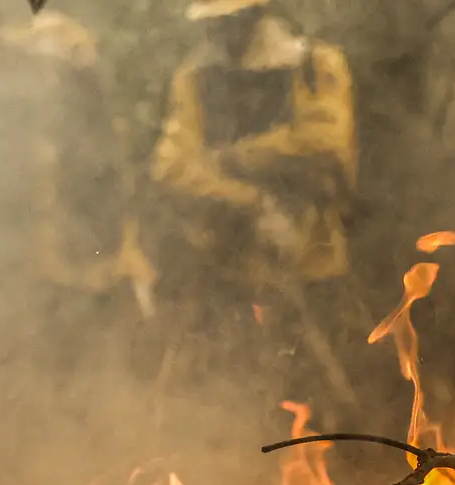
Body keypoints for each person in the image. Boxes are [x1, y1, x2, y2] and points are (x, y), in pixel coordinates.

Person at [147, 0, 358, 419]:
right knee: (225, 396)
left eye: (231, 21)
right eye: (215, 23)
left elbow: (325, 141)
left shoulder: (313, 66)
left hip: (310, 259)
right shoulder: (195, 79)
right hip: (223, 261)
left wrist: (240, 156)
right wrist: (252, 202)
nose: (222, 32)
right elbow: (173, 165)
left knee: (323, 394)